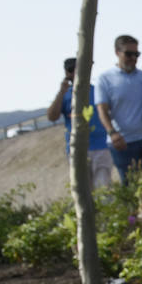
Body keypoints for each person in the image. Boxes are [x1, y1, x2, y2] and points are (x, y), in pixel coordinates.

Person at [94, 34, 142, 197]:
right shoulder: (104, 79)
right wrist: (112, 133)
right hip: (123, 143)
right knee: (131, 191)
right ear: (117, 52)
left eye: (136, 54)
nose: (133, 58)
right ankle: (135, 222)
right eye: (129, 54)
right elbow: (102, 110)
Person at [47, 57, 114, 190]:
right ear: (66, 73)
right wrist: (61, 92)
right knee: (83, 190)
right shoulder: (66, 95)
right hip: (77, 149)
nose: (74, 74)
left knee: (103, 188)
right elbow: (52, 116)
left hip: (101, 146)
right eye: (70, 70)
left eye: (76, 69)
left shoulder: (98, 90)